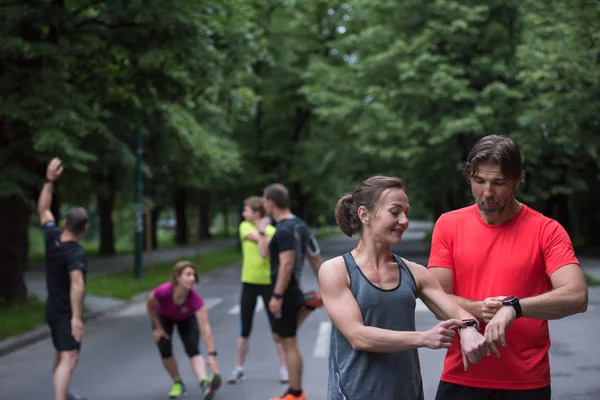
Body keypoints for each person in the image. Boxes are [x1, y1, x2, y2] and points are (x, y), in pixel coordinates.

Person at [428, 134, 589, 400]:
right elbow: (436, 298)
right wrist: (480, 311)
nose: (487, 192)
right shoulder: (448, 225)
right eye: (479, 181)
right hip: (462, 375)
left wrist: (514, 308)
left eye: (499, 183)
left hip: (526, 383)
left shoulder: (547, 230)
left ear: (517, 181)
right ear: (469, 177)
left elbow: (577, 296)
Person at [319, 175, 488, 399]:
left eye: (406, 213)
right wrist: (424, 338)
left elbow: (457, 312)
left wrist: (468, 328)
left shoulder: (415, 273)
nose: (404, 220)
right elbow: (358, 336)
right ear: (364, 214)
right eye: (395, 211)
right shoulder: (336, 270)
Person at [259, 183, 324, 400]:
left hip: (285, 290)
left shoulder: (285, 229)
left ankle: (295, 393)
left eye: (264, 200)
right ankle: (307, 304)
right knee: (280, 336)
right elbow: (314, 257)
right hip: (292, 290)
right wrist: (324, 286)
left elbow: (286, 264)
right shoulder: (300, 226)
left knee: (288, 341)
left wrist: (277, 296)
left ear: (270, 201)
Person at [38, 157, 89, 400]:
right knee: (70, 357)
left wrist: (49, 180)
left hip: (52, 307)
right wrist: (77, 318)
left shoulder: (53, 237)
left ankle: (63, 394)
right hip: (66, 311)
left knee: (62, 353)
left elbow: (44, 210)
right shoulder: (76, 253)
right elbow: (77, 282)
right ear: (85, 228)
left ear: (66, 223)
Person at [227, 196, 289, 385]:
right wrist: (262, 234)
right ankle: (239, 369)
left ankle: (284, 368)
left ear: (257, 212)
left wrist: (263, 233)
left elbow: (268, 251)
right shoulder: (245, 226)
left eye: (246, 210)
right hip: (249, 282)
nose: (243, 213)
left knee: (276, 329)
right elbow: (259, 241)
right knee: (245, 328)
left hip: (268, 283)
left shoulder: (272, 230)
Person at [146, 261, 222, 400]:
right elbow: (150, 305)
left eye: (193, 275)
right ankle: (178, 382)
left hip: (186, 318)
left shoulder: (195, 300)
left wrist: (211, 354)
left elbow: (205, 328)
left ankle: (204, 383)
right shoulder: (162, 292)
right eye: (188, 274)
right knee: (164, 347)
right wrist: (157, 327)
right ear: (177, 277)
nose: (192, 278)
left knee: (193, 348)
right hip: (164, 316)